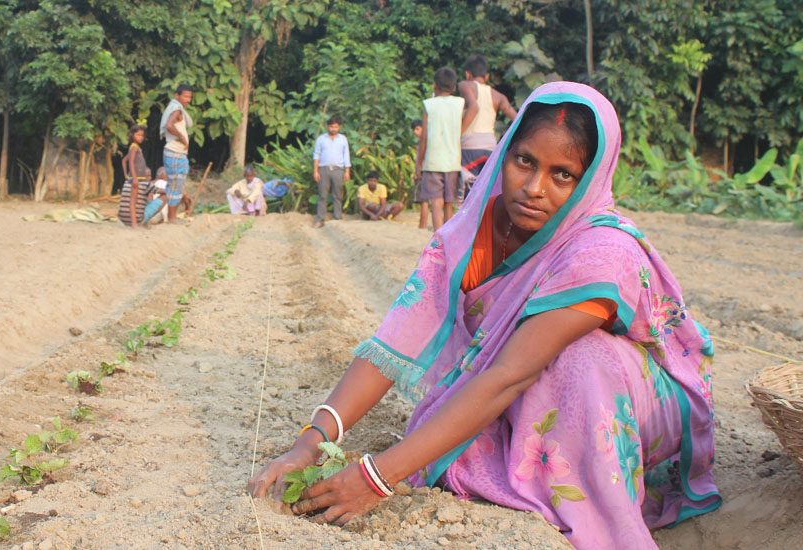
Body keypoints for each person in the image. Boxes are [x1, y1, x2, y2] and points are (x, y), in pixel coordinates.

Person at [248, 82, 720, 549]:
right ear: (504, 154)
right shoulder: (470, 233)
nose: (534, 189)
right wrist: (310, 441)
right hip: (527, 383)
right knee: (507, 388)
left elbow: (511, 375)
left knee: (582, 355)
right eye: (525, 162)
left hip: (631, 405)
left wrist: (377, 478)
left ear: (590, 179)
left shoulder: (602, 249)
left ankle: (590, 498)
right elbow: (395, 340)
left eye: (563, 175)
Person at [458, 54, 518, 195]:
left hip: (470, 145)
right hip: (491, 147)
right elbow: (516, 118)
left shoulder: (465, 85)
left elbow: (474, 107)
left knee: (469, 191)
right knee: (485, 192)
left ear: (467, 74)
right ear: (487, 76)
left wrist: (458, 135)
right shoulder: (498, 96)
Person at [415, 67, 465, 231]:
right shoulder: (460, 103)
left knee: (436, 203)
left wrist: (418, 164)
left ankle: (437, 240)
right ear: (453, 86)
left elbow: (424, 139)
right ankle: (448, 238)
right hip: (452, 160)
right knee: (448, 203)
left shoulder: (429, 104)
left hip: (433, 161)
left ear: (435, 85)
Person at [160, 84, 194, 223]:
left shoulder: (175, 108)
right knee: (175, 185)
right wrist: (181, 138)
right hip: (175, 153)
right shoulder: (177, 110)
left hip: (174, 153)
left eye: (190, 97)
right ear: (177, 96)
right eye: (185, 96)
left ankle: (171, 217)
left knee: (175, 185)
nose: (188, 99)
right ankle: (172, 218)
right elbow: (169, 125)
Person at [312, 116, 351, 228]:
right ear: (327, 127)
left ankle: (337, 218)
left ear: (339, 127)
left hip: (338, 170)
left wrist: (347, 171)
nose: (333, 129)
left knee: (337, 195)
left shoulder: (343, 139)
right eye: (331, 126)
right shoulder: (321, 139)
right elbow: (316, 155)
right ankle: (320, 219)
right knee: (322, 196)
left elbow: (346, 155)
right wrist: (315, 171)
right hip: (323, 169)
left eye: (336, 127)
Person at [121, 125, 151, 228]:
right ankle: (134, 224)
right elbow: (131, 163)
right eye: (138, 135)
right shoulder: (134, 147)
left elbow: (124, 160)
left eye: (142, 135)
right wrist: (133, 178)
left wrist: (126, 175)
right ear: (132, 135)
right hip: (136, 179)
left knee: (137, 201)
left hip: (138, 178)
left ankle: (136, 222)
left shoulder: (136, 147)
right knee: (133, 201)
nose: (141, 137)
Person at [410, 119, 430, 230]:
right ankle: (423, 224)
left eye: (417, 128)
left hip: (424, 171)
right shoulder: (426, 141)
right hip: (426, 170)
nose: (415, 132)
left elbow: (421, 159)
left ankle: (422, 225)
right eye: (414, 129)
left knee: (423, 200)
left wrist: (418, 171)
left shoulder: (424, 142)